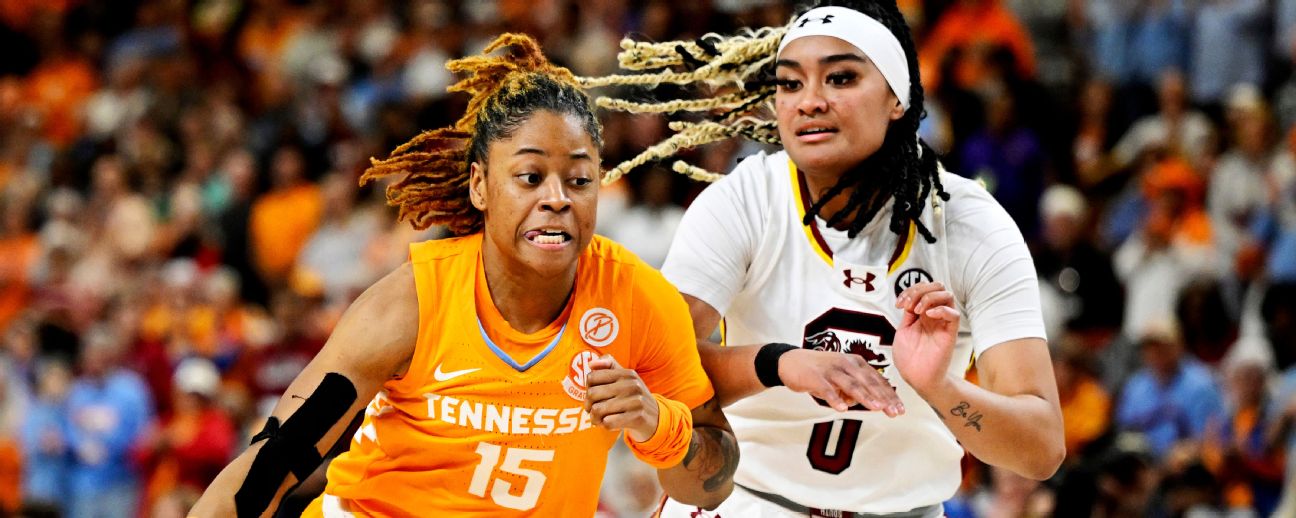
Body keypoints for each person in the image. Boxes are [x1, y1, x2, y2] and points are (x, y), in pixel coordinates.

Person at [190, 33, 737, 517]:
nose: (556, 199)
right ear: (480, 186)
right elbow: (269, 465)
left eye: (579, 179)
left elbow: (710, 486)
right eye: (528, 176)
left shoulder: (637, 299)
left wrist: (659, 426)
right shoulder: (412, 304)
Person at [584, 1, 1063, 515]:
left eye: (840, 79)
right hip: (747, 500)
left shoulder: (970, 225)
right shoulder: (744, 201)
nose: (809, 101)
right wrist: (777, 363)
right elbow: (654, 364)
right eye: (790, 84)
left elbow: (1040, 449)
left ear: (897, 98)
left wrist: (939, 387)